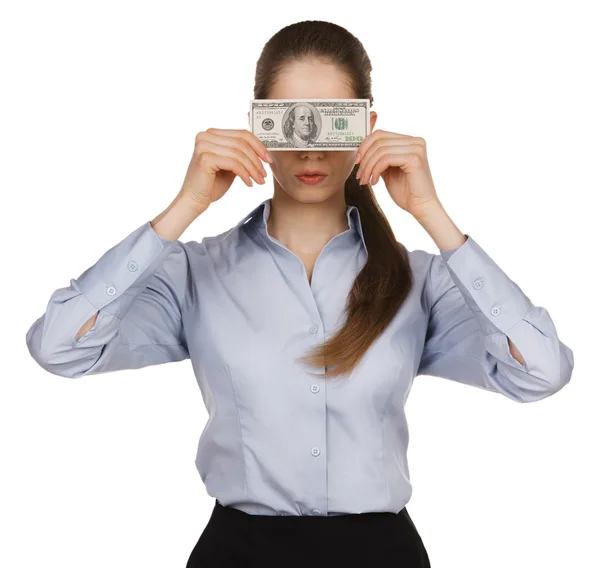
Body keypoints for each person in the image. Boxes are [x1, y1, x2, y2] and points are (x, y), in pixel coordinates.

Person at [25, 20, 574, 568]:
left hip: (382, 556)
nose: (310, 147)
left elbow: (541, 372)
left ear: (366, 128)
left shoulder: (419, 281)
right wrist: (184, 206)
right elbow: (59, 347)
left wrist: (433, 216)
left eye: (333, 121)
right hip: (238, 555)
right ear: (257, 127)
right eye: (288, 121)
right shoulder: (193, 273)